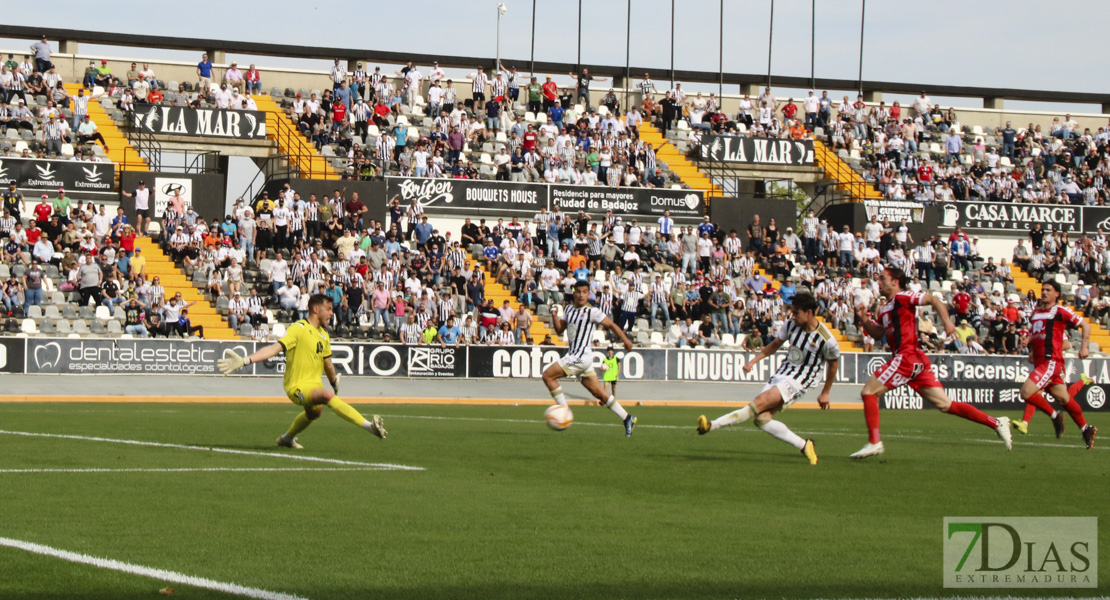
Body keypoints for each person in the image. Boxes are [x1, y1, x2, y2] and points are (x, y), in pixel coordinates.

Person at [851, 266, 1012, 459]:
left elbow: (933, 299)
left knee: (868, 392)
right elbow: (878, 334)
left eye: (883, 279)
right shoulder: (886, 308)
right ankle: (996, 422)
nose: (879, 282)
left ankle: (875, 441)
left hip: (906, 357)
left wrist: (946, 322)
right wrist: (863, 319)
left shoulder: (903, 297)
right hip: (916, 360)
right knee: (945, 404)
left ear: (895, 281)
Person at [218, 294, 387, 449]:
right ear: (315, 309)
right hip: (297, 387)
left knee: (314, 413)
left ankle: (286, 438)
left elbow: (327, 363)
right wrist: (245, 360)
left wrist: (334, 382)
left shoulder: (324, 335)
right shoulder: (298, 328)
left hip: (314, 386)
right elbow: (273, 348)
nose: (331, 313)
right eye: (328, 309)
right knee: (326, 396)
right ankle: (369, 427)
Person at [696, 293, 832, 465]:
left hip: (800, 381)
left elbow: (833, 364)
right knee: (761, 419)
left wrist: (825, 392)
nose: (792, 316)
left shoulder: (826, 339)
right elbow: (774, 345)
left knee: (757, 404)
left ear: (810, 313)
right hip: (783, 373)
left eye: (796, 313)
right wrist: (753, 361)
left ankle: (711, 425)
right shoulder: (791, 325)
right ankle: (804, 445)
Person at [543, 280, 637, 436]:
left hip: (580, 356)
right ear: (573, 292)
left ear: (589, 294)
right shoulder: (569, 310)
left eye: (584, 292)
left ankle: (564, 413)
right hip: (577, 356)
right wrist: (554, 316)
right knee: (599, 393)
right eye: (578, 292)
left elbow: (612, 325)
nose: (581, 295)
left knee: (547, 375)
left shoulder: (592, 312)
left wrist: (626, 340)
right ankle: (627, 417)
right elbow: (560, 331)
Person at [1012, 281, 1097, 449]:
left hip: (1051, 362)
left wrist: (1084, 346)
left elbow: (1085, 325)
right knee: (1064, 398)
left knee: (1026, 392)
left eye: (1048, 290)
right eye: (1042, 289)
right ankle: (1086, 428)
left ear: (1056, 294)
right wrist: (1028, 341)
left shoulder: (1060, 311)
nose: (1043, 292)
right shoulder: (1036, 314)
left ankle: (1054, 415)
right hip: (1040, 362)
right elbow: (1037, 335)